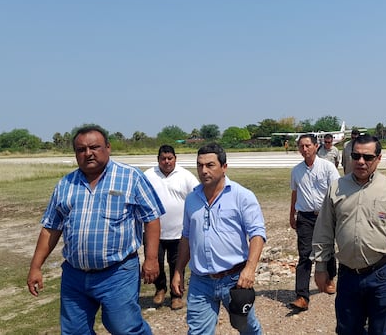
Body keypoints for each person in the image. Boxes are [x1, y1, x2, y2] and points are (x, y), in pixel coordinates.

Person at [27, 124, 164, 334]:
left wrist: (152, 259)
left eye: (94, 147)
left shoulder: (130, 177)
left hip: (118, 272)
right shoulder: (65, 184)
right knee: (74, 331)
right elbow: (51, 228)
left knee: (125, 328)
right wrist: (36, 267)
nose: (88, 153)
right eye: (81, 150)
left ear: (108, 147)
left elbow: (151, 219)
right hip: (75, 275)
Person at [311, 134, 386, 335]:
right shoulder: (336, 188)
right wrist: (321, 266)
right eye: (356, 156)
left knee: (382, 330)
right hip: (348, 275)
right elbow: (324, 231)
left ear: (378, 158)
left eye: (368, 157)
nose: (361, 162)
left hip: (382, 275)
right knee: (347, 330)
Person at [171, 143, 267, 334]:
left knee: (247, 327)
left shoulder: (242, 196)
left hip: (234, 280)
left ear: (224, 167)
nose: (203, 170)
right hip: (200, 281)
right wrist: (178, 271)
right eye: (200, 165)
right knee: (198, 331)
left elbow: (257, 233)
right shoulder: (192, 199)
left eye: (210, 165)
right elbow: (187, 236)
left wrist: (249, 269)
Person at [144, 145, 200, 310]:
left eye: (170, 158)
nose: (167, 162)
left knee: (177, 264)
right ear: (158, 160)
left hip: (179, 232)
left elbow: (198, 194)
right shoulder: (148, 175)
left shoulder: (185, 176)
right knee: (157, 263)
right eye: (163, 159)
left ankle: (176, 295)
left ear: (175, 158)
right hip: (154, 234)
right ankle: (160, 289)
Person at [288, 134, 340, 311]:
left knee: (328, 249)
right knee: (305, 254)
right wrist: (291, 214)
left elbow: (337, 191)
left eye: (308, 145)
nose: (304, 149)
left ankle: (330, 277)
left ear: (316, 146)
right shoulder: (296, 171)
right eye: (301, 146)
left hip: (326, 215)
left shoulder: (327, 167)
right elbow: (294, 193)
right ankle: (302, 296)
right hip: (305, 217)